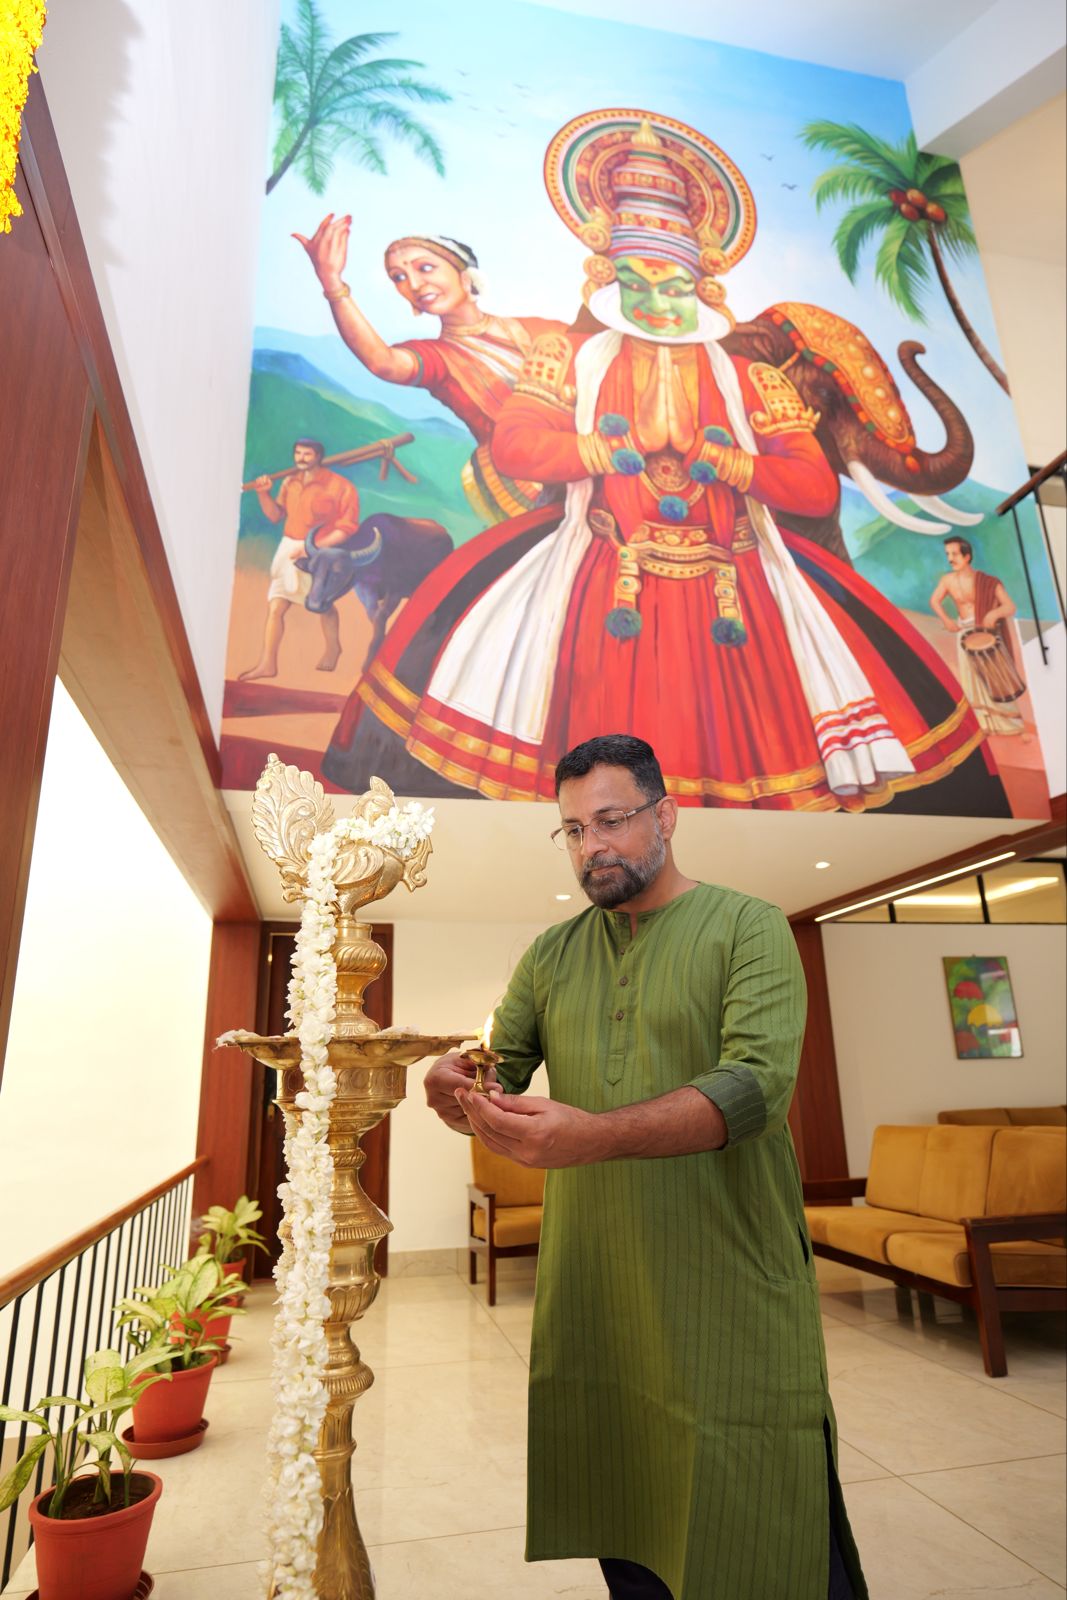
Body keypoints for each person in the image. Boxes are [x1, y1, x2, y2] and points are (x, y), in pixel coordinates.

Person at [322, 112, 1008, 819]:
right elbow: (516, 446)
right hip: (598, 573)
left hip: (740, 584)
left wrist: (723, 459)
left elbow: (806, 486)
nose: (658, 302)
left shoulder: (751, 377)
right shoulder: (565, 357)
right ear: (608, 277)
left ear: (702, 285)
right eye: (638, 281)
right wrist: (611, 449)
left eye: (674, 285)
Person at [424, 734, 867, 1600]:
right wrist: (454, 1086)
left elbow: (753, 1088)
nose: (592, 846)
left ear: (664, 816)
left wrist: (592, 1135)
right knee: (627, 1506)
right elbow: (497, 1065)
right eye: (572, 830)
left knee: (765, 1512)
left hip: (728, 1282)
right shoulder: (552, 953)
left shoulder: (749, 927)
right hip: (600, 1288)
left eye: (612, 820)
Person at [294, 215, 565, 523]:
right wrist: (333, 283)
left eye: (424, 268)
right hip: (529, 482)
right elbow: (382, 362)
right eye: (398, 277)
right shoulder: (438, 358)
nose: (413, 284)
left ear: (465, 275)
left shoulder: (540, 330)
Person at [240, 438, 360, 681]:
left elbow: (346, 528)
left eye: (307, 454)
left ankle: (333, 647)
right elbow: (275, 516)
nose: (301, 458)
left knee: (322, 604)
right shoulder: (289, 482)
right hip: (287, 549)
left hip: (320, 554)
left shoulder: (340, 487)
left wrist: (312, 548)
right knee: (276, 605)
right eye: (298, 453)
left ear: (318, 456)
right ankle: (268, 664)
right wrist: (264, 494)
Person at [930, 536, 1027, 736]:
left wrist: (993, 614)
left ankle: (1009, 724)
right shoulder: (947, 580)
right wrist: (947, 620)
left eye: (955, 554)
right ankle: (983, 725)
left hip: (986, 634)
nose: (950, 558)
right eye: (948, 554)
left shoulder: (987, 582)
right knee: (970, 679)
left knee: (994, 676)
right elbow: (934, 601)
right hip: (964, 634)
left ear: (967, 556)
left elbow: (1010, 606)